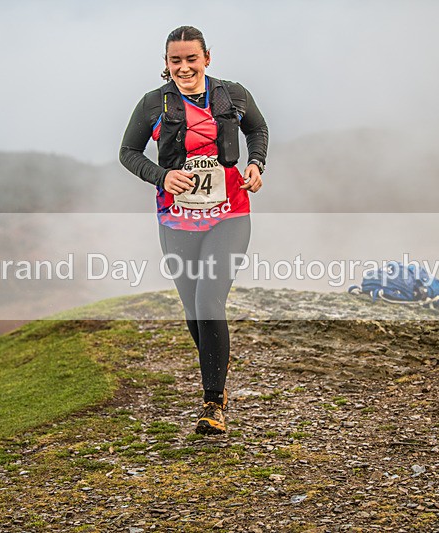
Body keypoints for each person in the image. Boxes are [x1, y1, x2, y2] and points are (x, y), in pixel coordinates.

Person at [119, 25, 268, 435]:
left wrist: (256, 163)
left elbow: (257, 129)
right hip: (175, 220)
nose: (184, 67)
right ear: (166, 64)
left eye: (191, 58)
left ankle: (212, 404)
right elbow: (128, 153)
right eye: (175, 60)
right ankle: (217, 367)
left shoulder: (233, 94)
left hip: (229, 215)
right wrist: (161, 176)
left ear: (206, 58)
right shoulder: (153, 104)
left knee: (208, 303)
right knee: (192, 309)